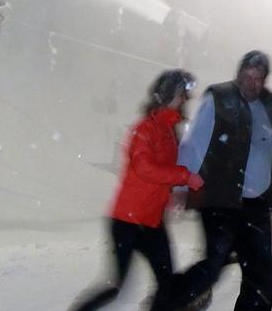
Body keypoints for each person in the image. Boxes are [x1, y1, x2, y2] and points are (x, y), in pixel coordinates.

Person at [150, 50, 272, 311]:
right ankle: (165, 304)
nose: (251, 83)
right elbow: (193, 144)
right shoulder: (219, 98)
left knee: (260, 278)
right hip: (221, 200)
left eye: (258, 78)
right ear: (238, 74)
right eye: (247, 76)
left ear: (264, 80)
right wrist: (182, 186)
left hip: (257, 206)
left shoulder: (268, 106)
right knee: (213, 267)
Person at [68, 68, 205, 311]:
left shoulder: (170, 131)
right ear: (167, 95)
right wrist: (184, 176)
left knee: (167, 285)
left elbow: (163, 173)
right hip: (127, 222)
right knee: (116, 287)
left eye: (186, 95)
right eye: (182, 94)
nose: (185, 100)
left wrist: (175, 193)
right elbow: (144, 168)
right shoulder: (144, 129)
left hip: (152, 223)